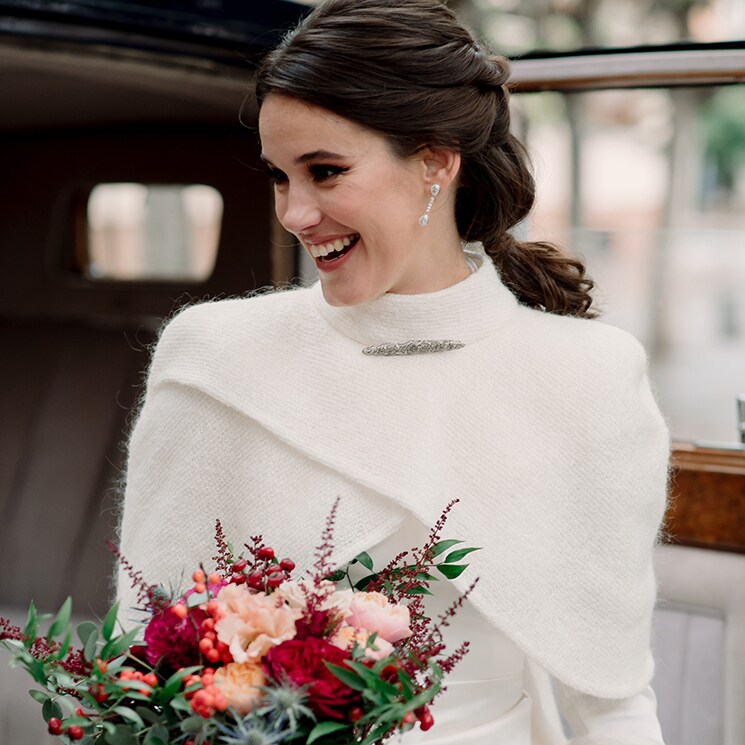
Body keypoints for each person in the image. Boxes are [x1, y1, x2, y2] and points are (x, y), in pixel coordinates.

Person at [116, 1, 670, 743]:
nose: (295, 212)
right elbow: (143, 663)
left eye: (325, 171)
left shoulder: (591, 376)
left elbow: (614, 694)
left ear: (436, 161)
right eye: (280, 176)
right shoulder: (212, 357)